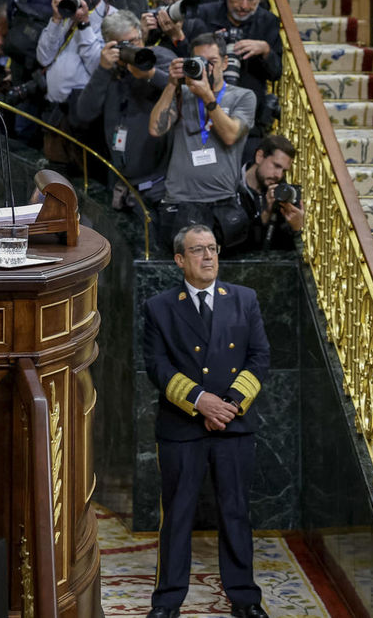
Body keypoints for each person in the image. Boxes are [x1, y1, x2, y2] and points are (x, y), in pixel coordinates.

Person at [142, 223, 270, 618]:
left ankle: (245, 599)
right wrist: (201, 402)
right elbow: (157, 366)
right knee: (177, 516)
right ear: (180, 259)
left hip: (234, 425)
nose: (209, 256)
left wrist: (229, 405)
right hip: (182, 428)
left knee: (235, 513)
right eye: (198, 250)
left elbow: (259, 357)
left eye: (212, 248)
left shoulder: (244, 299)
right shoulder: (160, 307)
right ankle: (167, 603)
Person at [149, 33, 256, 250]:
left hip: (223, 202)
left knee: (218, 265)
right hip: (180, 201)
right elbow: (155, 129)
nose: (206, 68)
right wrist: (171, 84)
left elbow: (230, 135)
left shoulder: (243, 96)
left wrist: (207, 96)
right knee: (179, 262)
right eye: (200, 62)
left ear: (225, 63)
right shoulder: (181, 94)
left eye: (212, 62)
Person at [73, 11, 176, 208]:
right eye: (124, 44)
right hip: (119, 182)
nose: (132, 49)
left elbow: (181, 90)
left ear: (141, 35)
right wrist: (103, 69)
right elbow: (84, 113)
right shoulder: (109, 70)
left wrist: (150, 74)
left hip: (158, 183)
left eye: (135, 41)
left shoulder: (159, 58)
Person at [183, 0, 282, 138]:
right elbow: (187, 58)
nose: (244, 5)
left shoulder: (268, 21)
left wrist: (265, 51)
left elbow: (276, 73)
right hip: (201, 111)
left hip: (249, 118)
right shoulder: (204, 14)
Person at [37, 0, 115, 123]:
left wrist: (84, 23)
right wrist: (56, 19)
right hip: (54, 110)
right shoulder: (64, 11)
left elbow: (99, 68)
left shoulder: (112, 17)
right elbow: (43, 58)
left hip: (86, 115)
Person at [238, 134, 304, 250]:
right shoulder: (231, 185)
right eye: (276, 166)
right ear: (259, 157)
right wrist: (266, 213)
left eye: (284, 171)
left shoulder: (282, 193)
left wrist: (296, 228)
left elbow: (289, 251)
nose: (279, 175)